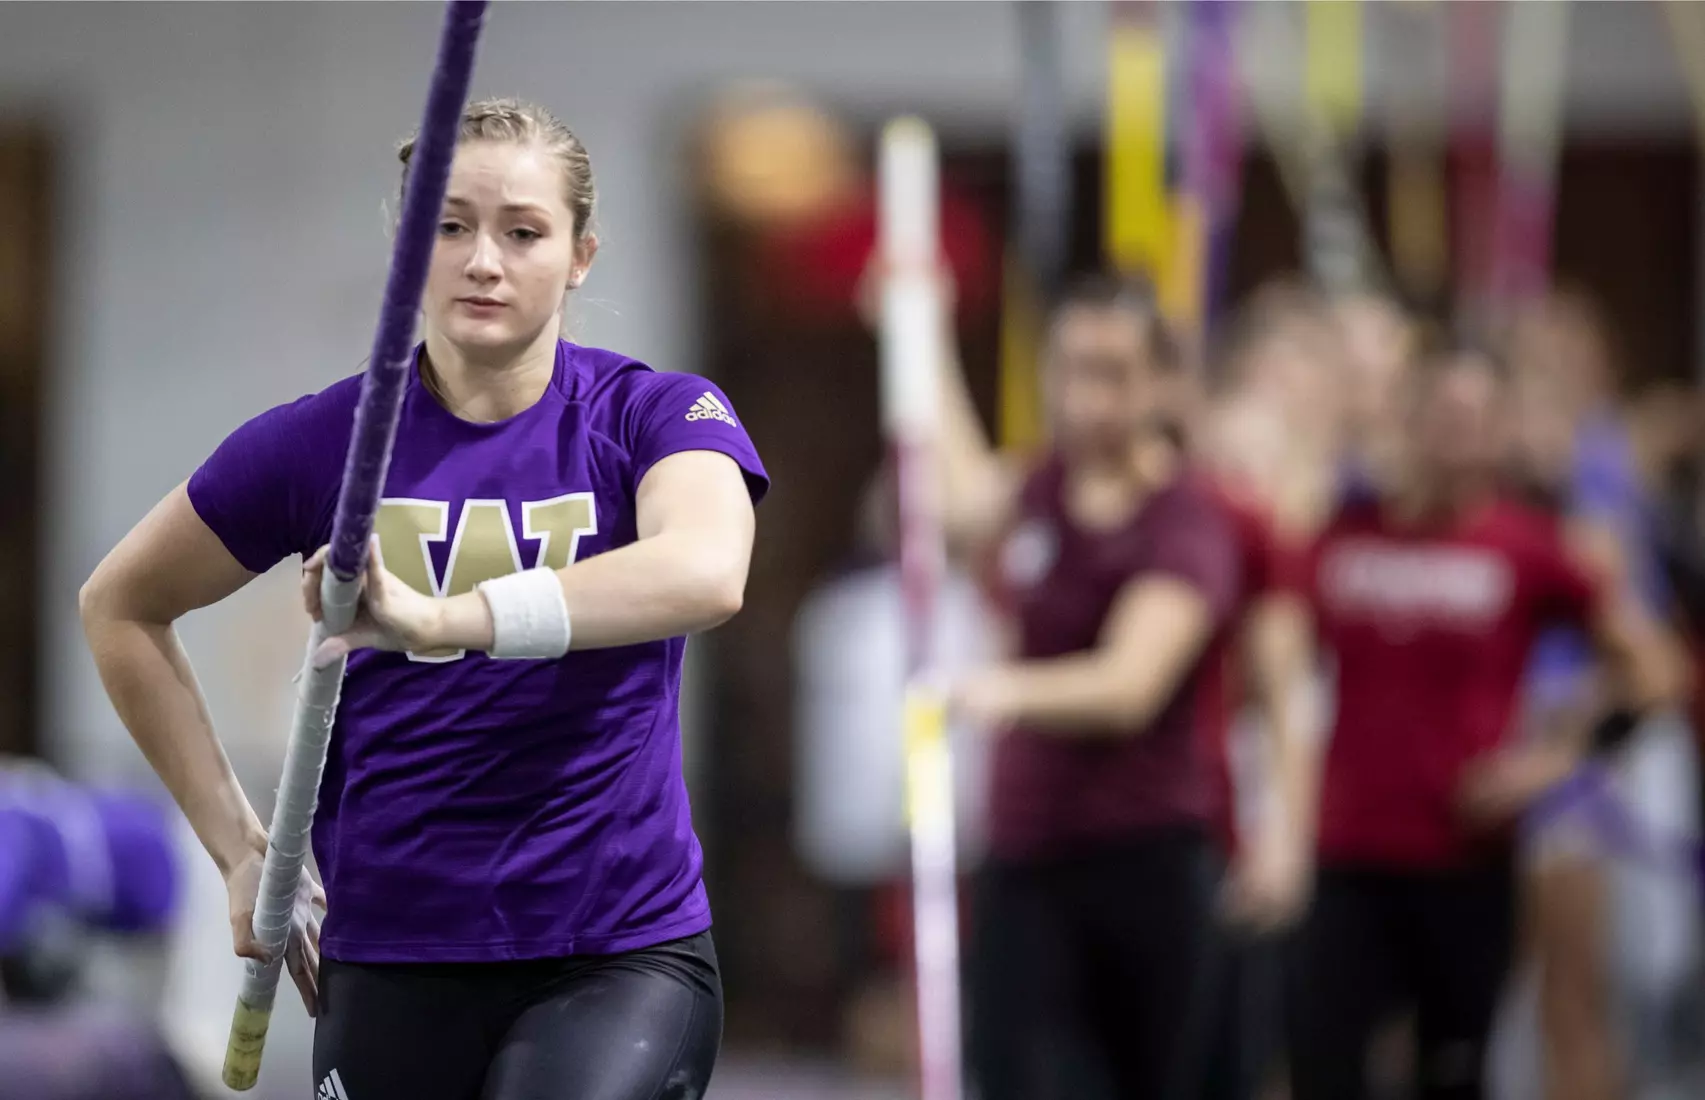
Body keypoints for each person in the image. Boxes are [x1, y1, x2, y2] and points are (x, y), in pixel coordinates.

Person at [78, 98, 767, 1100]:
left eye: (522, 231)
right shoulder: (328, 443)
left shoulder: (652, 415)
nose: (482, 259)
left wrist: (447, 618)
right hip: (393, 949)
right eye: (447, 226)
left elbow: (705, 571)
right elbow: (120, 605)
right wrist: (237, 847)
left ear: (580, 255)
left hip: (612, 948)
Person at [1287, 337, 1686, 1100]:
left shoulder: (1530, 547)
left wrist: (1552, 761)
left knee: (1454, 1071)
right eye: (1437, 412)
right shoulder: (1343, 535)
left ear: (1501, 429)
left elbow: (1655, 669)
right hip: (1346, 856)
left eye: (1473, 417)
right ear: (1404, 417)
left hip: (1463, 860)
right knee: (1322, 1064)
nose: (1453, 433)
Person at [938, 274, 1242, 1100]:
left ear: (1158, 385)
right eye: (1070, 370)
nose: (1085, 397)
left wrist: (1000, 693)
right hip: (1026, 856)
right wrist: (919, 333)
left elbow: (1127, 685)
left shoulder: (1185, 518)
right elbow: (960, 505)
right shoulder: (1036, 488)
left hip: (1144, 856)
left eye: (1110, 372)